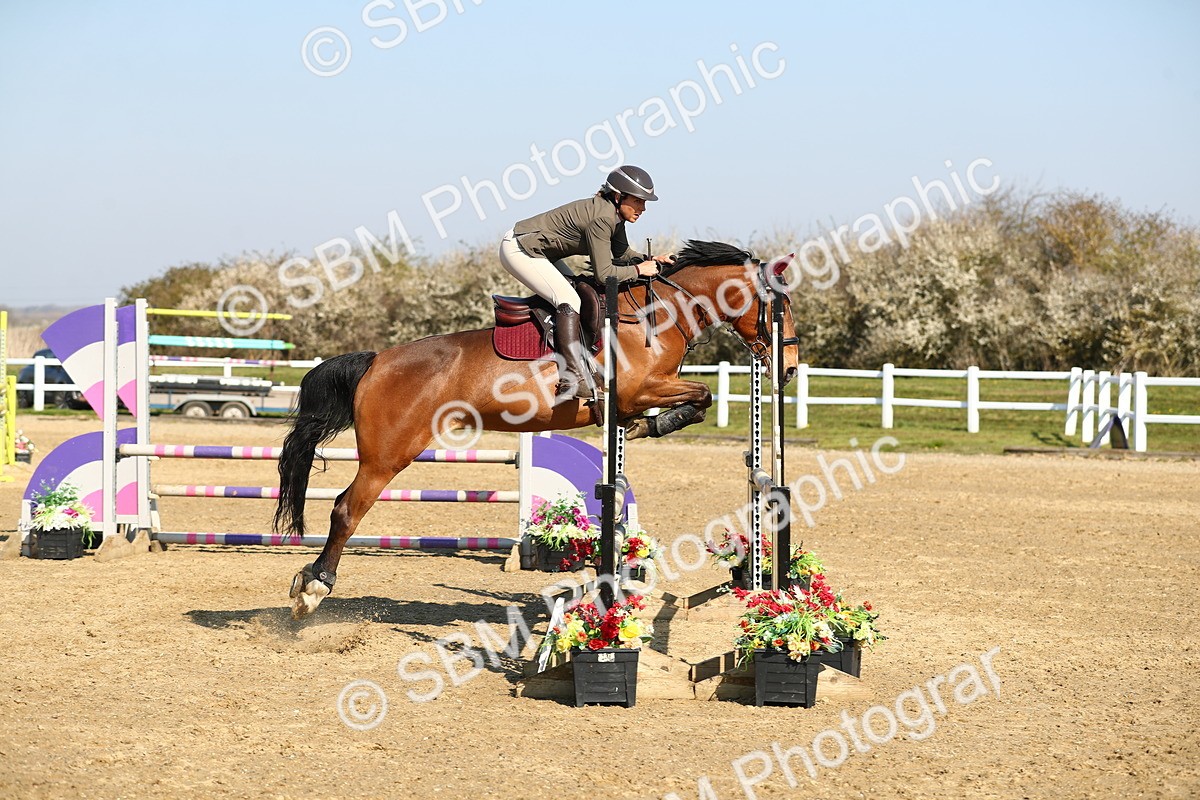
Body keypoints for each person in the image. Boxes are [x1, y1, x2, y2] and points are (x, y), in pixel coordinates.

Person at [498, 165, 675, 400]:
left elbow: (621, 254)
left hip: (541, 253)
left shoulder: (614, 216)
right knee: (568, 299)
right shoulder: (602, 218)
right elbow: (604, 274)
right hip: (519, 249)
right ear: (618, 196)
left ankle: (579, 361)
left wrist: (650, 260)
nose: (643, 208)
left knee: (580, 294)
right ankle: (571, 377)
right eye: (638, 201)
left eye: (645, 202)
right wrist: (638, 270)